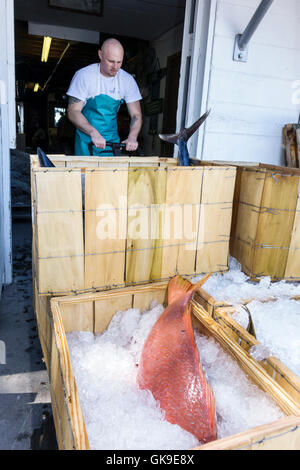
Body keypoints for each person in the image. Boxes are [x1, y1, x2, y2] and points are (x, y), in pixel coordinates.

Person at [67, 38, 142, 156]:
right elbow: (73, 112)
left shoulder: (127, 80)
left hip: (111, 142)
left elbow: (136, 115)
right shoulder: (84, 75)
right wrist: (93, 133)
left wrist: (132, 137)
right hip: (86, 141)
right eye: (111, 61)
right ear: (100, 55)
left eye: (119, 62)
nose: (115, 67)